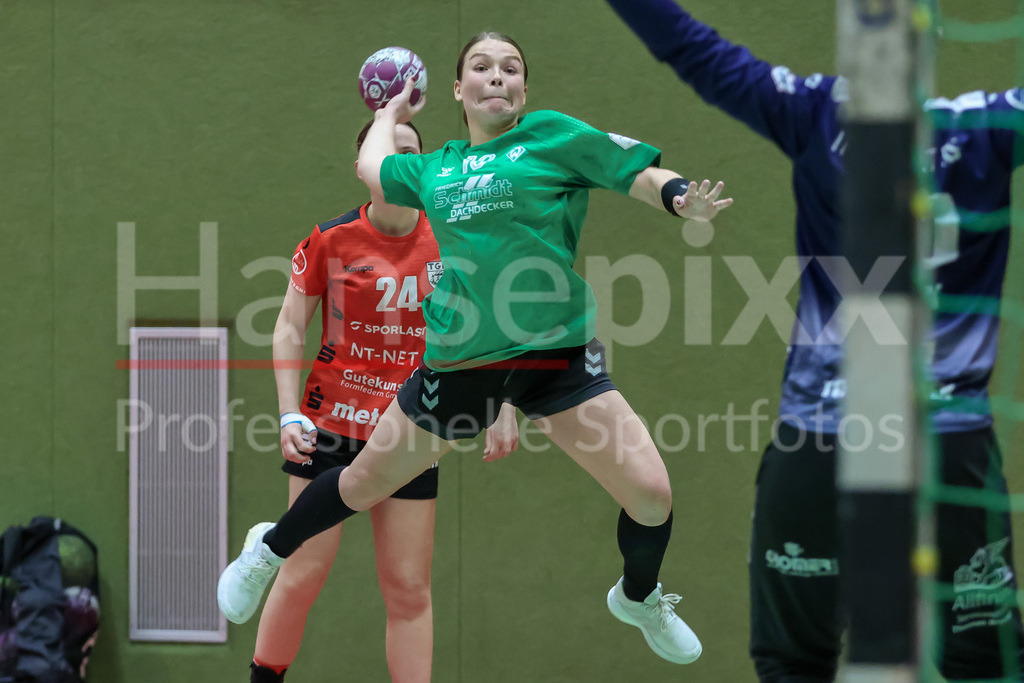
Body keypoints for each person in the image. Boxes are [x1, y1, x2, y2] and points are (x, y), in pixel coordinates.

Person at [218, 31, 733, 667]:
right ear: (458, 91)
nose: (498, 77)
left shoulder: (550, 137)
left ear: (523, 90)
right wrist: (388, 115)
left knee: (653, 496)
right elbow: (372, 167)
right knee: (356, 484)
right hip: (461, 365)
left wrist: (680, 197)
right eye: (481, 68)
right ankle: (268, 549)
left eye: (511, 68)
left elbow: (634, 172)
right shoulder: (438, 169)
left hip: (556, 358)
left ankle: (639, 595)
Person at [603, 0, 1024, 680]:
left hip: (826, 435)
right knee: (985, 661)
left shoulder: (816, 112)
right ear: (935, 39)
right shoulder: (990, 125)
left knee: (795, 661)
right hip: (949, 443)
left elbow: (689, 48)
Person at [240, 119, 520, 683]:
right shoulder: (331, 238)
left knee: (408, 586)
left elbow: (492, 327)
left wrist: (505, 403)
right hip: (328, 424)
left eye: (410, 151)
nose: (399, 159)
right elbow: (290, 325)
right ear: (364, 165)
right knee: (304, 570)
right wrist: (288, 409)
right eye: (388, 148)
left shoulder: (452, 239)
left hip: (411, 430)